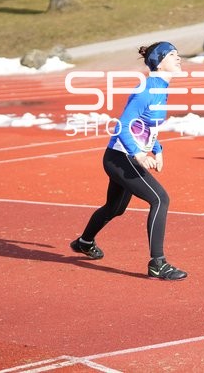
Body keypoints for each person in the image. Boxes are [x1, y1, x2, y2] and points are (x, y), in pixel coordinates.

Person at [71, 41, 187, 280]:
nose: (179, 58)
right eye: (173, 55)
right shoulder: (147, 90)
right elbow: (122, 126)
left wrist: (157, 149)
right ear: (159, 61)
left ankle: (84, 242)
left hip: (126, 156)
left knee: (115, 208)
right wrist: (139, 154)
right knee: (160, 199)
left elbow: (146, 125)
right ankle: (158, 263)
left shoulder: (159, 88)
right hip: (121, 157)